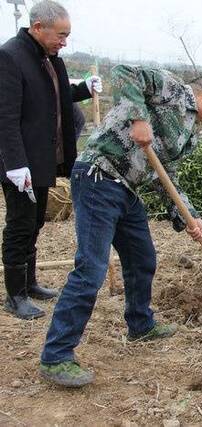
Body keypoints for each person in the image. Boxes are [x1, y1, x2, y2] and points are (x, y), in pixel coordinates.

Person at [39, 65, 202, 387]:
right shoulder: (173, 90)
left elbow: (167, 180)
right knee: (91, 270)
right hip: (99, 176)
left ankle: (140, 324)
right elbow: (125, 73)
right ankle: (56, 356)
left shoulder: (189, 135)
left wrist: (189, 217)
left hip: (125, 188)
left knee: (143, 259)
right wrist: (139, 119)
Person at [0, 0, 100, 320]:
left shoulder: (49, 57)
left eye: (67, 35)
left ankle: (29, 284)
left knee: (36, 222)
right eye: (61, 34)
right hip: (19, 163)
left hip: (42, 159)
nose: (64, 41)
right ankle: (14, 295)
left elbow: (53, 97)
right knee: (20, 225)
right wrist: (14, 163)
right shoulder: (10, 57)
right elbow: (5, 116)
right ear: (38, 27)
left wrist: (84, 88)